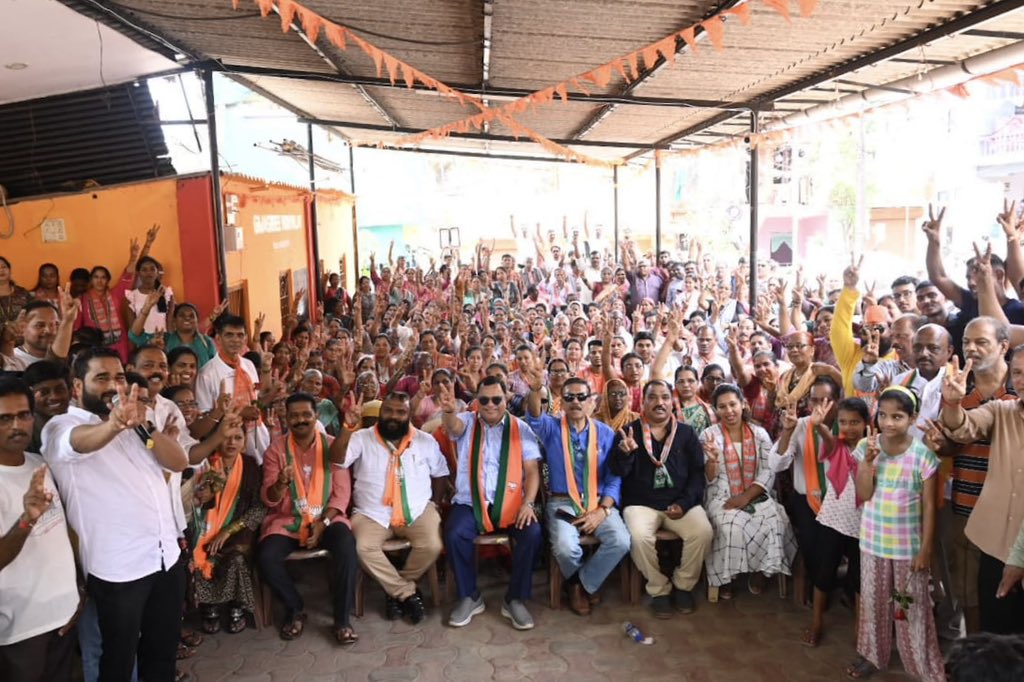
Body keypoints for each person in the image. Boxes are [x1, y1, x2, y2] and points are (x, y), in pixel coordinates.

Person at [41, 347, 189, 682]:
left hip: (164, 558)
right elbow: (81, 443)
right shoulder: (61, 427)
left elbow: (178, 461)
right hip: (119, 571)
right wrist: (114, 424)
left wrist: (146, 429)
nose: (113, 385)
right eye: (101, 378)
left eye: (119, 377)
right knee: (118, 662)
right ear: (78, 387)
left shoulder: (139, 425)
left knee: (162, 653)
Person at [849, 386, 943, 681]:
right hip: (873, 542)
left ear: (913, 418)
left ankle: (920, 662)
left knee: (912, 607)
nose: (888, 423)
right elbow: (863, 494)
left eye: (898, 417)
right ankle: (872, 656)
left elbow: (929, 507)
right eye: (884, 416)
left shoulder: (923, 456)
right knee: (873, 604)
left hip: (908, 548)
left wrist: (925, 549)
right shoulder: (867, 448)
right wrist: (867, 464)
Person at [523, 366, 629, 616]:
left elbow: (614, 477)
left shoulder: (605, 433)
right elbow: (535, 416)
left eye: (581, 396)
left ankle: (579, 584)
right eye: (569, 397)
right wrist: (537, 388)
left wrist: (603, 510)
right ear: (562, 401)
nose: (575, 402)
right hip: (563, 503)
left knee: (621, 541)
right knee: (563, 546)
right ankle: (583, 587)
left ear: (592, 401)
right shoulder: (552, 428)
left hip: (597, 502)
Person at [439, 376, 543, 630]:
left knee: (533, 533)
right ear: (476, 400)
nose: (490, 405)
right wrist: (449, 412)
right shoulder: (467, 421)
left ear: (507, 398)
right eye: (483, 399)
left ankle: (515, 599)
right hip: (471, 501)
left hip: (511, 503)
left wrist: (528, 504)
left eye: (497, 399)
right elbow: (453, 428)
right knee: (453, 533)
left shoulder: (521, 428)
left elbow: (531, 472)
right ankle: (469, 596)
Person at [257, 393, 358, 645]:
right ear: (286, 418)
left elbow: (341, 495)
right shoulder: (276, 450)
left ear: (316, 417)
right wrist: (280, 483)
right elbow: (269, 498)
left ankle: (342, 619)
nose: (300, 420)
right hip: (288, 520)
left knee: (346, 547)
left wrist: (322, 524)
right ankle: (295, 608)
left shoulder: (333, 445)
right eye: (294, 415)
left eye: (306, 415)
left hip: (327, 520)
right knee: (266, 556)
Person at [340, 392, 449, 623]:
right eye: (388, 410)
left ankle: (395, 590)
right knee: (362, 548)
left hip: (418, 510)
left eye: (401, 412)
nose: (393, 416)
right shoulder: (361, 437)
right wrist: (347, 427)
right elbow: (337, 460)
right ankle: (406, 593)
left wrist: (435, 504)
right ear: (381, 412)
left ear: (409, 414)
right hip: (372, 514)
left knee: (432, 544)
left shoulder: (425, 441)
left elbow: (440, 473)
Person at [611, 380, 713, 618]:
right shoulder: (629, 431)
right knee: (637, 536)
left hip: (680, 503)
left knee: (703, 532)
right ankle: (659, 589)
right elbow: (617, 472)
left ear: (672, 401)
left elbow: (698, 474)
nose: (659, 403)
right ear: (642, 402)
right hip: (641, 505)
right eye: (653, 397)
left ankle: (683, 585)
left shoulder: (686, 433)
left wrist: (685, 503)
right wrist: (624, 454)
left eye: (665, 397)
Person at [0, 379, 79, 682]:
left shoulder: (38, 463)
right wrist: (26, 520)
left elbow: (63, 531)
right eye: (5, 418)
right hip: (20, 629)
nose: (17, 425)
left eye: (23, 415)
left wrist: (78, 587)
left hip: (64, 614)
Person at [941, 348, 1024, 635]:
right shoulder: (1002, 410)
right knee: (995, 629)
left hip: (1020, 549)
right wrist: (952, 405)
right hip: (994, 545)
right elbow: (963, 428)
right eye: (1017, 372)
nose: (1022, 379)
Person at [701, 383, 796, 599]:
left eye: (733, 404)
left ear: (743, 404)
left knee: (775, 522)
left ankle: (762, 572)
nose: (729, 411)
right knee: (730, 526)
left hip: (756, 494)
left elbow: (769, 470)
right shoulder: (709, 435)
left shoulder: (759, 433)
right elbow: (708, 477)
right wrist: (713, 460)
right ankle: (726, 577)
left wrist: (746, 496)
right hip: (722, 495)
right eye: (722, 407)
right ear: (715, 410)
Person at [768, 376, 842, 601]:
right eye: (814, 401)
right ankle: (821, 588)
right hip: (807, 500)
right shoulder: (800, 425)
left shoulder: (846, 423)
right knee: (810, 548)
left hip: (838, 502)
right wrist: (787, 432)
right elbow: (777, 464)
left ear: (837, 401)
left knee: (833, 551)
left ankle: (828, 588)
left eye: (826, 400)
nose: (819, 406)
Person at [805, 398, 868, 648]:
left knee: (860, 579)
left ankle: (860, 630)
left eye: (855, 422)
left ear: (866, 423)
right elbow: (829, 441)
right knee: (824, 575)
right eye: (843, 422)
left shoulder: (873, 449)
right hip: (833, 520)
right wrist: (820, 426)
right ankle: (816, 623)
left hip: (863, 525)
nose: (849, 427)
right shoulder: (837, 446)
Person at [191, 425, 265, 635]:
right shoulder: (204, 465)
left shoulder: (251, 466)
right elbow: (191, 503)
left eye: (237, 438)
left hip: (236, 528)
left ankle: (237, 605)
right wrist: (204, 494)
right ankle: (209, 607)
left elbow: (259, 507)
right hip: (205, 527)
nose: (231, 443)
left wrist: (228, 531)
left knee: (236, 557)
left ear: (244, 442)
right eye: (226, 438)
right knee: (195, 556)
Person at [195, 314, 271, 460]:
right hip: (228, 447)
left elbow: (258, 397)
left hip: (259, 440)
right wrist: (241, 413)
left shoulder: (248, 365)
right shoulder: (207, 374)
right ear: (218, 338)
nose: (235, 340)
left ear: (245, 338)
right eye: (229, 335)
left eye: (240, 335)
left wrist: (267, 372)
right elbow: (203, 418)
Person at [75, 239, 143, 363]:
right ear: (91, 280)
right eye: (96, 277)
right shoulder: (82, 299)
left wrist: (133, 258)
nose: (99, 281)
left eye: (103, 277)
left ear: (108, 280)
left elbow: (127, 277)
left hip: (120, 345)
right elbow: (77, 326)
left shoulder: (115, 294)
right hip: (95, 347)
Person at [5, 298, 76, 371]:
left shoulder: (74, 361)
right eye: (40, 325)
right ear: (22, 327)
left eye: (56, 324)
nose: (49, 331)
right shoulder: (11, 359)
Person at [23, 361, 71, 453]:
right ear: (30, 396)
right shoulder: (25, 433)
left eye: (60, 390)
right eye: (44, 392)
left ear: (70, 391)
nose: (54, 397)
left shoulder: (81, 420)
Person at [672, 365, 715, 436]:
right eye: (681, 381)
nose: (685, 385)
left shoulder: (709, 410)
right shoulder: (670, 410)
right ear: (675, 384)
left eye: (690, 381)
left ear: (698, 382)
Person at [0, 258, 32, 330]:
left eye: (4, 267)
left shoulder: (22, 293)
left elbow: (34, 313)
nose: (1, 270)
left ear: (9, 270)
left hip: (22, 335)